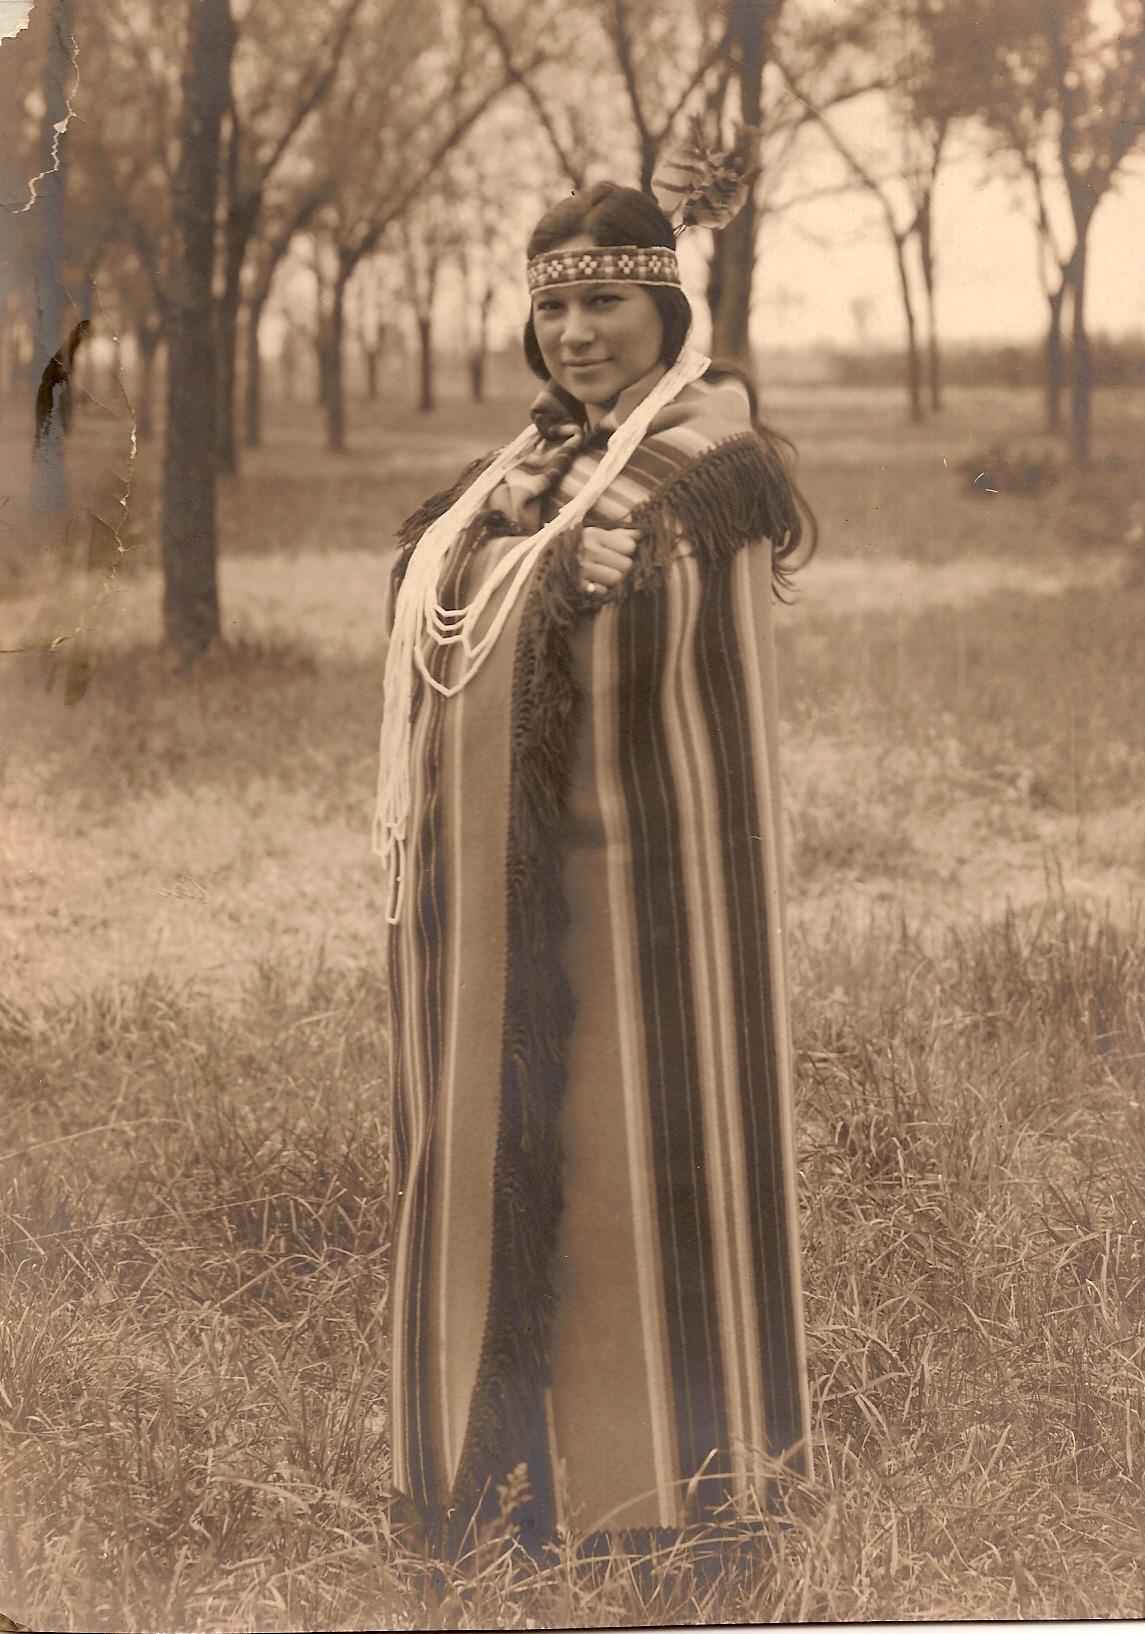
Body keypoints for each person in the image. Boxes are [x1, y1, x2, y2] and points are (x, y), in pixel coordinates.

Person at [375, 180, 814, 1557]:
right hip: (518, 880)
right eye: (554, 307)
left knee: (638, 1144)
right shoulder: (536, 460)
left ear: (666, 309)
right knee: (520, 1137)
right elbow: (445, 595)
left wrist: (531, 571)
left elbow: (635, 628)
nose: (575, 334)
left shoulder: (700, 451)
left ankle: (662, 1495)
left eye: (605, 302)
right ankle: (508, 1468)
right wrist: (527, 559)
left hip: (650, 886)